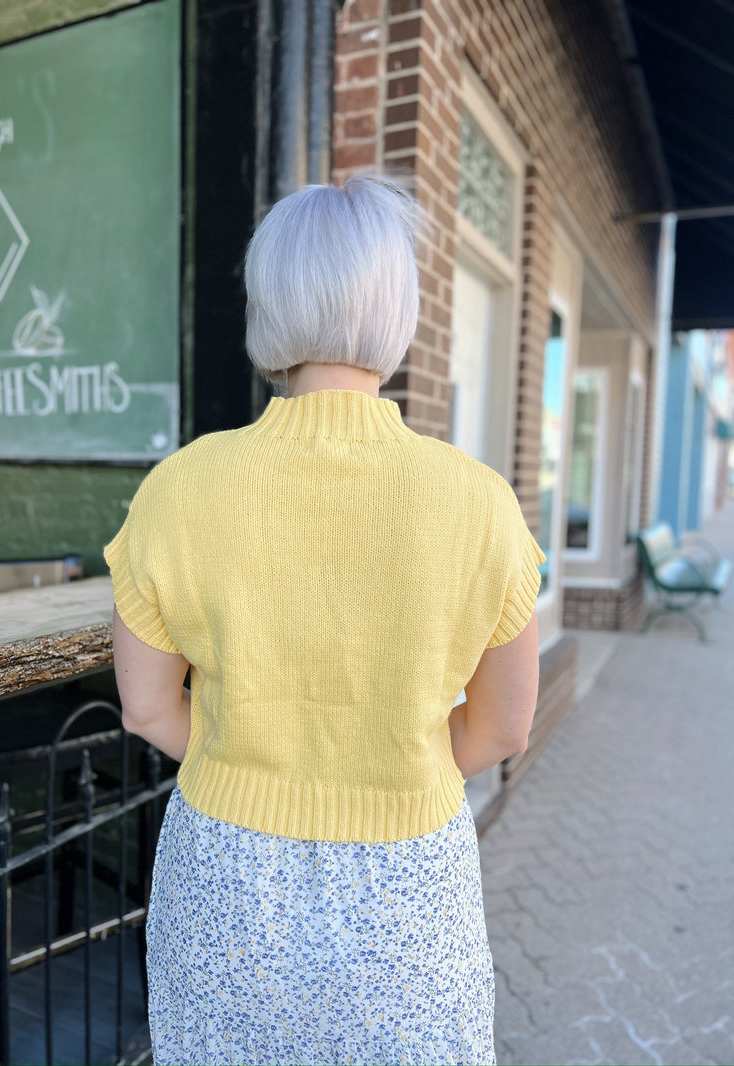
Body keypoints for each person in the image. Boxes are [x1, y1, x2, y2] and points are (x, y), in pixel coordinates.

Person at [104, 175, 544, 1066]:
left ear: (270, 299)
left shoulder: (181, 488)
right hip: (411, 895)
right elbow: (505, 724)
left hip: (228, 884)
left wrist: (263, 758)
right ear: (398, 310)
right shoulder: (480, 503)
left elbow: (149, 709)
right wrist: (390, 766)